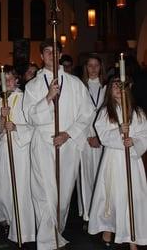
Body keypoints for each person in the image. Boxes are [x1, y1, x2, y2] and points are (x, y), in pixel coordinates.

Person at [22, 38, 93, 249]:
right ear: (41, 56)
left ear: (60, 55)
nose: (52, 55)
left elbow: (87, 113)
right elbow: (29, 116)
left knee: (61, 199)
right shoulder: (33, 86)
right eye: (47, 52)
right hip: (42, 146)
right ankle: (47, 242)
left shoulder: (75, 84)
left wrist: (68, 134)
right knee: (44, 195)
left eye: (55, 52)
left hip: (67, 147)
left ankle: (56, 232)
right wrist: (47, 98)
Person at [88, 76, 147, 250]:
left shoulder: (137, 112)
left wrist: (134, 142)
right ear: (109, 90)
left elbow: (144, 134)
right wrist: (119, 133)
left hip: (132, 162)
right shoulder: (106, 112)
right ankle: (108, 228)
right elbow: (103, 135)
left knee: (133, 197)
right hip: (113, 161)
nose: (116, 88)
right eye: (113, 86)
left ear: (126, 88)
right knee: (113, 197)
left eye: (119, 85)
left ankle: (132, 238)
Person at [0, 65, 35, 245]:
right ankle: (6, 220)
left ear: (17, 80)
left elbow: (35, 126)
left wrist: (16, 127)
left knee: (22, 190)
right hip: (4, 150)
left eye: (10, 78)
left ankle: (23, 232)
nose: (7, 82)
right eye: (3, 79)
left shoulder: (25, 99)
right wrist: (1, 119)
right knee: (1, 190)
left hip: (22, 151)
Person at [77, 54, 106, 227]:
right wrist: (88, 136)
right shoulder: (80, 87)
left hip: (103, 138)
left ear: (101, 67)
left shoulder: (107, 87)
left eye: (96, 65)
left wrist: (100, 138)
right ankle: (88, 214)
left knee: (101, 176)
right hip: (86, 138)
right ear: (86, 68)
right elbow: (77, 114)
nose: (93, 69)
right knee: (87, 176)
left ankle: (101, 213)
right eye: (90, 65)